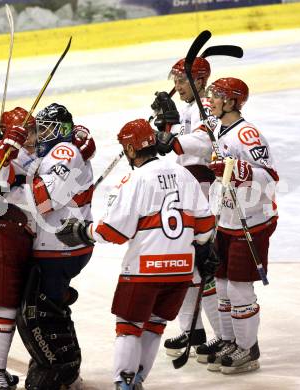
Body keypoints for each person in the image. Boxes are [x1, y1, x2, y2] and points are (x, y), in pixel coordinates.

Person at [55, 119, 219, 389]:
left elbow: (114, 232)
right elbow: (204, 225)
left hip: (144, 271)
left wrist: (84, 231)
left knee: (129, 327)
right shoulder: (184, 174)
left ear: (131, 149)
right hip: (181, 271)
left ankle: (124, 382)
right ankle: (137, 380)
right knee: (154, 325)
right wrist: (202, 247)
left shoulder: (134, 179)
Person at [14, 103, 95, 390]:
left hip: (62, 246)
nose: (40, 134)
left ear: (61, 130)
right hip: (59, 244)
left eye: (46, 128)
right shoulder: (58, 151)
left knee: (37, 312)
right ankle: (64, 365)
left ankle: (61, 368)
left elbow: (43, 200)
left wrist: (7, 191)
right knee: (50, 307)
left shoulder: (65, 151)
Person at [203, 77, 278, 374]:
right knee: (221, 284)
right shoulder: (218, 126)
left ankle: (249, 349)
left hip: (253, 220)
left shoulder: (247, 134)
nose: (212, 100)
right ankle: (229, 340)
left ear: (233, 101)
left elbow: (270, 177)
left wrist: (241, 171)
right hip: (227, 218)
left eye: (218, 96)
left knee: (238, 288)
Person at [151, 57, 221, 359]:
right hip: (188, 188)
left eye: (181, 81)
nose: (177, 86)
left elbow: (205, 143)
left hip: (204, 191)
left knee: (204, 268)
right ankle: (193, 331)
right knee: (188, 265)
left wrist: (173, 139)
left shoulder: (207, 105)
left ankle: (224, 336)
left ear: (199, 80)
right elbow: (181, 138)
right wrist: (167, 124)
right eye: (176, 80)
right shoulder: (192, 107)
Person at [0, 107, 38, 390]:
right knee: (2, 304)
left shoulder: (35, 156)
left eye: (34, 131)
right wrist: (3, 151)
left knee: (22, 307)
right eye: (25, 132)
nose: (32, 137)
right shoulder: (1, 152)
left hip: (25, 237)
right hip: (3, 236)